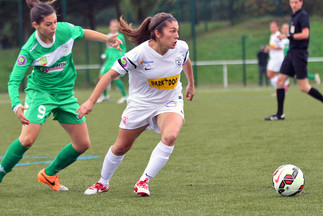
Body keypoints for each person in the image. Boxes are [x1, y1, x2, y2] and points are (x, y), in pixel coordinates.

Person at [0, 0, 122, 191]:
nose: (54, 27)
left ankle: (48, 174)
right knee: (27, 140)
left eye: (55, 22)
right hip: (41, 93)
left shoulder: (64, 30)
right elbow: (14, 81)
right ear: (36, 25)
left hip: (65, 94)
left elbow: (82, 32)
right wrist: (16, 105)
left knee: (82, 144)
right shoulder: (30, 49)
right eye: (48, 24)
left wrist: (107, 39)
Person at [77, 12, 195, 196]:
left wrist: (191, 84)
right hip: (140, 105)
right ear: (158, 33)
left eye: (177, 31)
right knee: (121, 146)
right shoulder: (139, 54)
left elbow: (185, 61)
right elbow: (109, 74)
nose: (177, 36)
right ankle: (103, 182)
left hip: (169, 101)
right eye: (172, 31)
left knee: (170, 136)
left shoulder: (181, 47)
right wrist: (91, 101)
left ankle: (144, 180)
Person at [265, 0, 323, 121]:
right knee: (280, 81)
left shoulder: (303, 16)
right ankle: (280, 114)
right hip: (291, 53)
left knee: (304, 87)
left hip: (299, 54)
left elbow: (305, 34)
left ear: (301, 3)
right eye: (292, 2)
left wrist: (286, 36)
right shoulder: (294, 16)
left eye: (296, 2)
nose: (293, 4)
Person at [97, 19, 128, 104]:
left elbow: (124, 47)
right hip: (108, 61)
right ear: (110, 27)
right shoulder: (107, 36)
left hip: (116, 60)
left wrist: (122, 56)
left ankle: (125, 96)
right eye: (112, 26)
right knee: (101, 77)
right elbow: (108, 48)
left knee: (116, 77)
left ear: (118, 27)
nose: (113, 27)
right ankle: (105, 96)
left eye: (115, 26)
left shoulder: (120, 36)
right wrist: (105, 54)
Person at [265, 21, 289, 93]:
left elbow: (281, 47)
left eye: (274, 27)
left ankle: (284, 86)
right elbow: (274, 45)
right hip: (273, 58)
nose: (272, 28)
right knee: (272, 75)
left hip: (277, 58)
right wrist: (269, 47)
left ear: (277, 27)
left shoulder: (278, 35)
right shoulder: (272, 35)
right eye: (271, 27)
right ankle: (281, 90)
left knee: (270, 74)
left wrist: (270, 48)